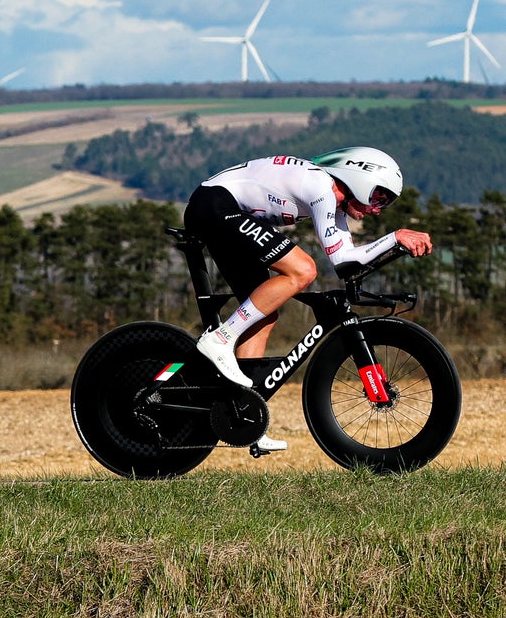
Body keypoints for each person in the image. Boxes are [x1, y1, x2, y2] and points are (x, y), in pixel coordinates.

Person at [184, 146, 432, 454]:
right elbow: (340, 260)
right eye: (379, 196)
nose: (378, 208)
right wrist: (394, 238)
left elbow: (347, 264)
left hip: (222, 210)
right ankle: (221, 339)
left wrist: (393, 247)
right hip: (214, 204)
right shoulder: (321, 187)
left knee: (262, 313)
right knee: (303, 270)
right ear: (360, 177)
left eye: (387, 203)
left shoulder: (335, 201)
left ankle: (244, 413)